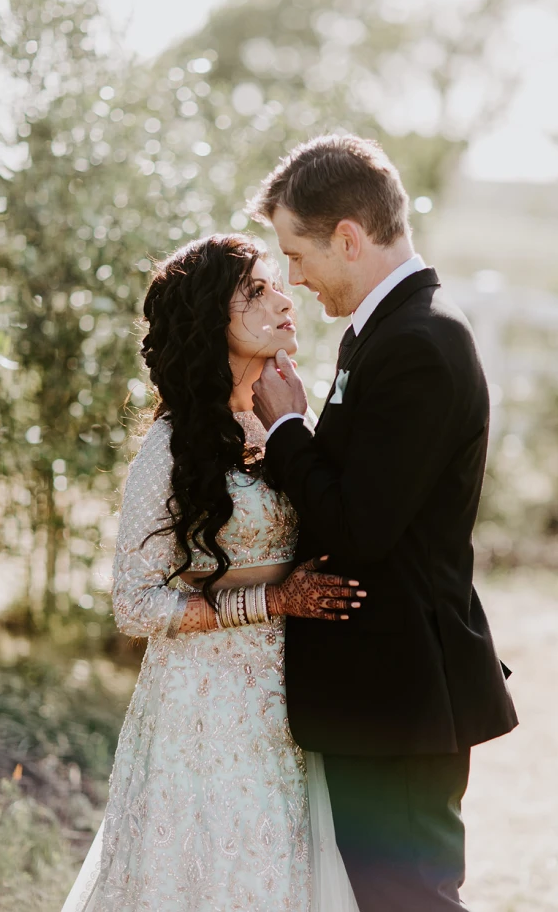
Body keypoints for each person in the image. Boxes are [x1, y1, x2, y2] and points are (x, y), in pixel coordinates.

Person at [249, 134, 519, 912]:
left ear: (348, 238)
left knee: (410, 900)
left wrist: (288, 431)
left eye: (297, 254)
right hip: (378, 690)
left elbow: (362, 528)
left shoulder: (422, 341)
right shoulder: (387, 329)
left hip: (404, 691)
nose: (293, 277)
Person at [60, 234, 363, 912]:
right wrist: (273, 599)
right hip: (202, 708)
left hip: (287, 706)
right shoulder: (169, 449)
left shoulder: (286, 421)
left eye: (274, 283)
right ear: (208, 321)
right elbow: (134, 607)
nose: (283, 296)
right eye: (254, 290)